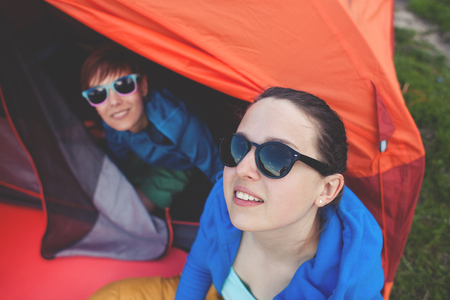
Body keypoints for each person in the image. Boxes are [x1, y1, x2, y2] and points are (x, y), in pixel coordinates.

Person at [88, 87, 384, 300]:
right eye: (238, 147)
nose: (242, 169)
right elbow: (200, 265)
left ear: (326, 189)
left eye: (276, 157)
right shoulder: (223, 197)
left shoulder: (346, 286)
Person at [80, 44, 223, 212]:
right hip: (141, 153)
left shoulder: (177, 123)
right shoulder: (112, 121)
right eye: (98, 94)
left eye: (124, 85)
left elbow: (216, 169)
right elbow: (117, 159)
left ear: (143, 86)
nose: (113, 102)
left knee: (133, 209)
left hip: (178, 164)